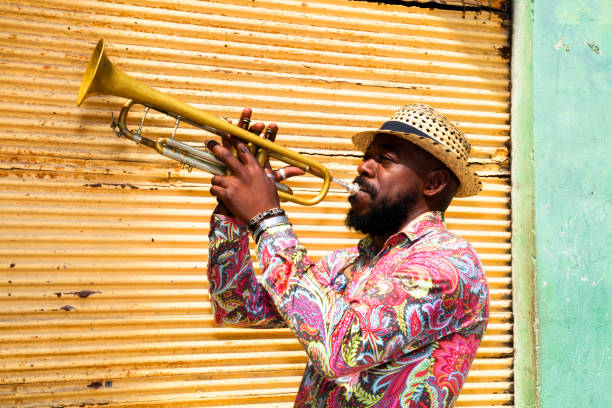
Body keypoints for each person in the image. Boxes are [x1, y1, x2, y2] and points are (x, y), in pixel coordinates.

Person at [206, 104, 489, 407]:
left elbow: (342, 350)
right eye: (367, 157)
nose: (363, 167)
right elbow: (239, 308)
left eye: (385, 159)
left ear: (433, 184)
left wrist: (267, 220)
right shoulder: (347, 262)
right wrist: (233, 216)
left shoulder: (449, 265)